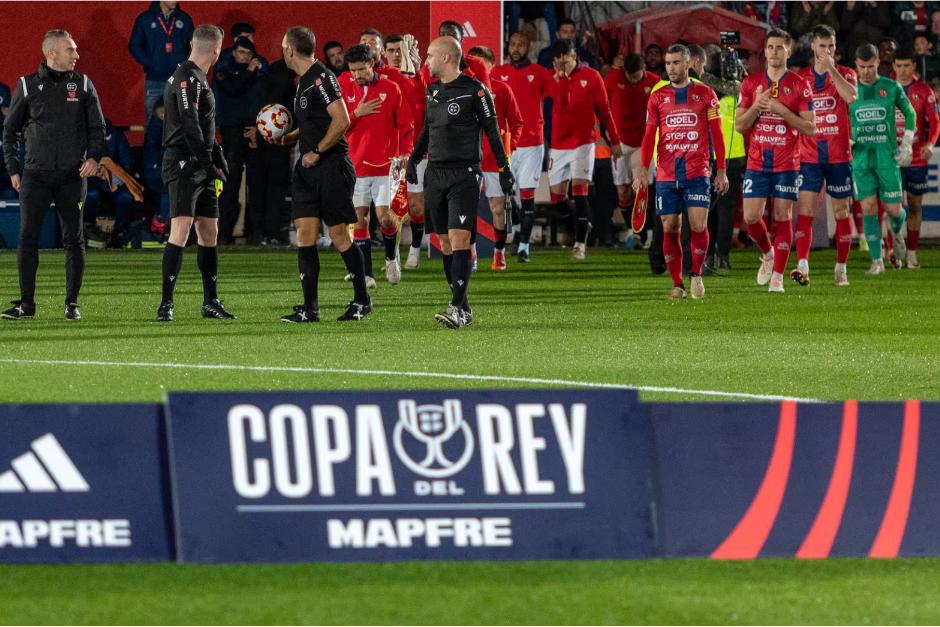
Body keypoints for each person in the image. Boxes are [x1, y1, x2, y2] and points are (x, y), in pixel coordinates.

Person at [407, 36, 513, 328]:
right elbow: (428, 130)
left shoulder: (476, 91)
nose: (426, 61)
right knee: (444, 242)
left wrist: (504, 168)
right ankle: (463, 308)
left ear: (445, 58)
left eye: (429, 56)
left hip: (464, 174)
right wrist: (414, 161)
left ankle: (455, 307)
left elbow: (493, 131)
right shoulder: (432, 91)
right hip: (435, 175)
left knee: (459, 238)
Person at [1, 29, 105, 321]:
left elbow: (98, 128)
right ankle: (26, 304)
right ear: (51, 54)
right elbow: (9, 131)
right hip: (35, 176)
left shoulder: (83, 84)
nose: (76, 55)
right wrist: (13, 169)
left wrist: (94, 157)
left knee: (74, 239)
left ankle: (72, 303)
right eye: (70, 50)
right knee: (27, 238)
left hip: (73, 176)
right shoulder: (27, 84)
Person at [273, 26, 371, 323]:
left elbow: (340, 120)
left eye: (282, 45)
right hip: (306, 169)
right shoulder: (303, 81)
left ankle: (361, 301)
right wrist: (289, 138)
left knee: (339, 235)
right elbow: (316, 121)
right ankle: (310, 308)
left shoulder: (321, 77)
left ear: (290, 49)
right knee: (305, 234)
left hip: (331, 166)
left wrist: (316, 150)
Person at [634, 44, 728, 300]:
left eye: (676, 63)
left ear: (688, 64)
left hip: (697, 172)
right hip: (666, 173)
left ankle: (696, 274)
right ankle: (677, 284)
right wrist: (643, 170)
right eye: (668, 63)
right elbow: (648, 135)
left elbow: (717, 134)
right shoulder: (657, 97)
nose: (671, 68)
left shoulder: (706, 94)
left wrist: (721, 170)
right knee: (670, 227)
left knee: (698, 225)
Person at [156, 24, 233, 322]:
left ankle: (210, 301)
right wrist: (209, 163)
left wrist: (218, 157)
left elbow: (202, 127)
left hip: (201, 163)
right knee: (181, 228)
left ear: (192, 43)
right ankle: (166, 304)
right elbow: (189, 126)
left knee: (209, 231)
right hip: (184, 163)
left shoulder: (196, 77)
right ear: (215, 52)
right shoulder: (187, 78)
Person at [735, 28, 815, 293]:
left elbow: (810, 128)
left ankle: (778, 277)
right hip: (757, 162)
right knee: (751, 217)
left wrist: (782, 110)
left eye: (780, 47)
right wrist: (758, 106)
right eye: (770, 47)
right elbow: (738, 125)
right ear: (765, 51)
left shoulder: (800, 84)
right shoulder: (750, 84)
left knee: (782, 216)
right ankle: (768, 254)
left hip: (786, 162)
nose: (774, 52)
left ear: (788, 51)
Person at [341, 43, 414, 285]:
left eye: (361, 69)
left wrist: (405, 152)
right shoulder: (345, 88)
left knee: (385, 219)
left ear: (372, 64)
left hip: (385, 166)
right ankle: (367, 274)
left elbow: (406, 124)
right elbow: (339, 125)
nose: (357, 75)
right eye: (352, 70)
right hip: (355, 166)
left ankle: (391, 257)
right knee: (359, 218)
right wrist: (357, 113)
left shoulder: (390, 88)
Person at [793, 25, 858, 287]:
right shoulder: (801, 79)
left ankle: (841, 268)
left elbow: (851, 97)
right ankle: (803, 266)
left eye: (831, 46)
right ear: (813, 47)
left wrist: (831, 69)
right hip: (808, 156)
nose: (827, 51)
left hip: (839, 156)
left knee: (842, 211)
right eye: (822, 46)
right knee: (806, 212)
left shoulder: (846, 73)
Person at [547, 38, 621, 260]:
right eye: (558, 59)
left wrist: (614, 140)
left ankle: (580, 244)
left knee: (580, 192)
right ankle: (582, 224)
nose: (562, 63)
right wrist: (559, 80)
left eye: (566, 58)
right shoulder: (551, 79)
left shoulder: (591, 77)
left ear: (574, 55)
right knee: (557, 200)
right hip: (559, 145)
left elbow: (605, 111)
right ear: (554, 60)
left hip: (583, 143)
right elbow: (561, 102)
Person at [850, 43, 916, 275]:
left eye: (870, 66)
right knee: (868, 208)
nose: (866, 71)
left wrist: (907, 141)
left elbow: (910, 113)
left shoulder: (891, 87)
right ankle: (877, 261)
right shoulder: (851, 90)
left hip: (887, 158)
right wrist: (847, 139)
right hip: (861, 159)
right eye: (862, 67)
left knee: (894, 210)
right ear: (856, 66)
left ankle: (897, 233)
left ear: (878, 62)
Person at [494, 32, 553, 263]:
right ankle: (518, 230)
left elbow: (556, 98)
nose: (516, 48)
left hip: (532, 144)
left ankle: (524, 247)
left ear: (529, 47)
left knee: (527, 196)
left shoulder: (540, 73)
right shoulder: (498, 73)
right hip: (506, 143)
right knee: (508, 195)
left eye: (521, 44)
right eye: (513, 44)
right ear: (508, 47)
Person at [468, 45, 523, 271]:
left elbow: (517, 123)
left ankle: (499, 253)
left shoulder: (502, 89)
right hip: (469, 158)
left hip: (494, 160)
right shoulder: (463, 90)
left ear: (491, 65)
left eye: (483, 62)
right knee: (467, 207)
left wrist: (509, 150)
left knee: (497, 207)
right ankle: (470, 254)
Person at [212, 35, 268, 244]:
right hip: (232, 131)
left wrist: (259, 127)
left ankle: (255, 233)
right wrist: (250, 71)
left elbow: (263, 99)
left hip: (254, 129)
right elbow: (233, 89)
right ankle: (224, 232)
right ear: (234, 52)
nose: (245, 57)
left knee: (256, 184)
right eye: (242, 52)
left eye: (249, 54)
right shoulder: (224, 71)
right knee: (230, 183)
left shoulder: (260, 74)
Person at [604, 53, 659, 246]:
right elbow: (602, 106)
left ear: (643, 69)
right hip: (620, 143)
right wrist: (609, 139)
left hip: (643, 144)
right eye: (629, 76)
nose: (633, 80)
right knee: (623, 191)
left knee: (641, 189)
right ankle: (631, 229)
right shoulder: (612, 78)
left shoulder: (654, 82)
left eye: (636, 76)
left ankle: (642, 232)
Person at [385, 33, 429, 267]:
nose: (395, 55)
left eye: (399, 50)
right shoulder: (379, 77)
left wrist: (415, 72)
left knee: (415, 204)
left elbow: (424, 110)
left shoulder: (418, 78)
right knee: (386, 208)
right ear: (384, 54)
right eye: (391, 50)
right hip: (387, 153)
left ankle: (415, 247)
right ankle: (392, 256)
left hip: (415, 152)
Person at [700, 44, 744, 274]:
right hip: (728, 156)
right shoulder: (730, 86)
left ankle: (712, 256)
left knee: (712, 208)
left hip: (718, 156)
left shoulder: (703, 86)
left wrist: (701, 73)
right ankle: (720, 257)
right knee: (721, 209)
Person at [892, 47, 938, 269]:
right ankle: (891, 250)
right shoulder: (886, 89)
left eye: (906, 66)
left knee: (914, 205)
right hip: (890, 157)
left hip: (916, 156)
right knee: (892, 207)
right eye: (898, 66)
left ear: (913, 67)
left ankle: (911, 253)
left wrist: (930, 143)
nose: (902, 70)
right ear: (893, 67)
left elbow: (935, 122)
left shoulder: (923, 90)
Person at [129, 1, 195, 122]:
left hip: (178, 80)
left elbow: (193, 46)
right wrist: (151, 63)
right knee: (153, 122)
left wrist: (184, 64)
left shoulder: (184, 19)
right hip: (154, 80)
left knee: (180, 123)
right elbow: (134, 45)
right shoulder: (145, 19)